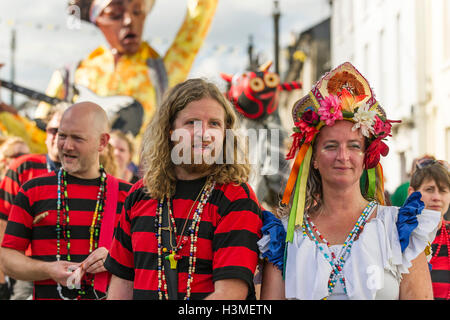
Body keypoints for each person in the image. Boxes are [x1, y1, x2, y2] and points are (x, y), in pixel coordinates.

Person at [258, 62, 441, 300]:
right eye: (330, 146)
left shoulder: (398, 229)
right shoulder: (286, 236)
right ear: (313, 159)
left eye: (354, 146)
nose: (343, 157)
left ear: (366, 156)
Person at [104, 78, 263, 300]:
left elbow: (230, 294)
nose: (203, 134)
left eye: (214, 124)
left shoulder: (236, 197)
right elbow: (122, 286)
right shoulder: (139, 194)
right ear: (170, 130)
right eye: (192, 122)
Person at [0, 102, 131, 300]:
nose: (66, 146)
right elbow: (7, 258)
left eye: (77, 138)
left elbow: (151, 262)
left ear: (102, 142)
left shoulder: (130, 195)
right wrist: (48, 269)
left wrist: (116, 259)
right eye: (62, 135)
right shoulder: (32, 190)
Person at [35, 0, 218, 134]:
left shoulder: (163, 72)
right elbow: (38, 136)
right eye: (115, 14)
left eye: (137, 11)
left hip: (141, 184)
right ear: (98, 20)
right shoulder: (71, 75)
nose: (129, 20)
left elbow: (197, 21)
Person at [0, 105, 66, 300]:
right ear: (45, 134)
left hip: (76, 268)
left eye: (65, 132)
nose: (58, 137)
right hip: (28, 269)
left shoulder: (89, 174)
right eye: (53, 130)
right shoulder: (23, 166)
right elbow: (2, 223)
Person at [408, 159, 450, 300]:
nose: (437, 197)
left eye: (443, 190)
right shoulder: (398, 235)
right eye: (429, 189)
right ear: (411, 192)